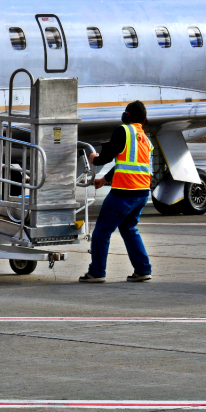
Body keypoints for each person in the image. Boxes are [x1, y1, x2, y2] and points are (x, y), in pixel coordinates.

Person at [80, 101, 153, 283]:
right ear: (144, 121)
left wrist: (95, 159)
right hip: (141, 193)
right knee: (129, 229)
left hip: (124, 193)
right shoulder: (144, 138)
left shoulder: (124, 131)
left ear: (126, 116)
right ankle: (143, 269)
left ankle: (97, 272)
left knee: (102, 232)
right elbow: (126, 163)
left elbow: (107, 157)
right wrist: (105, 179)